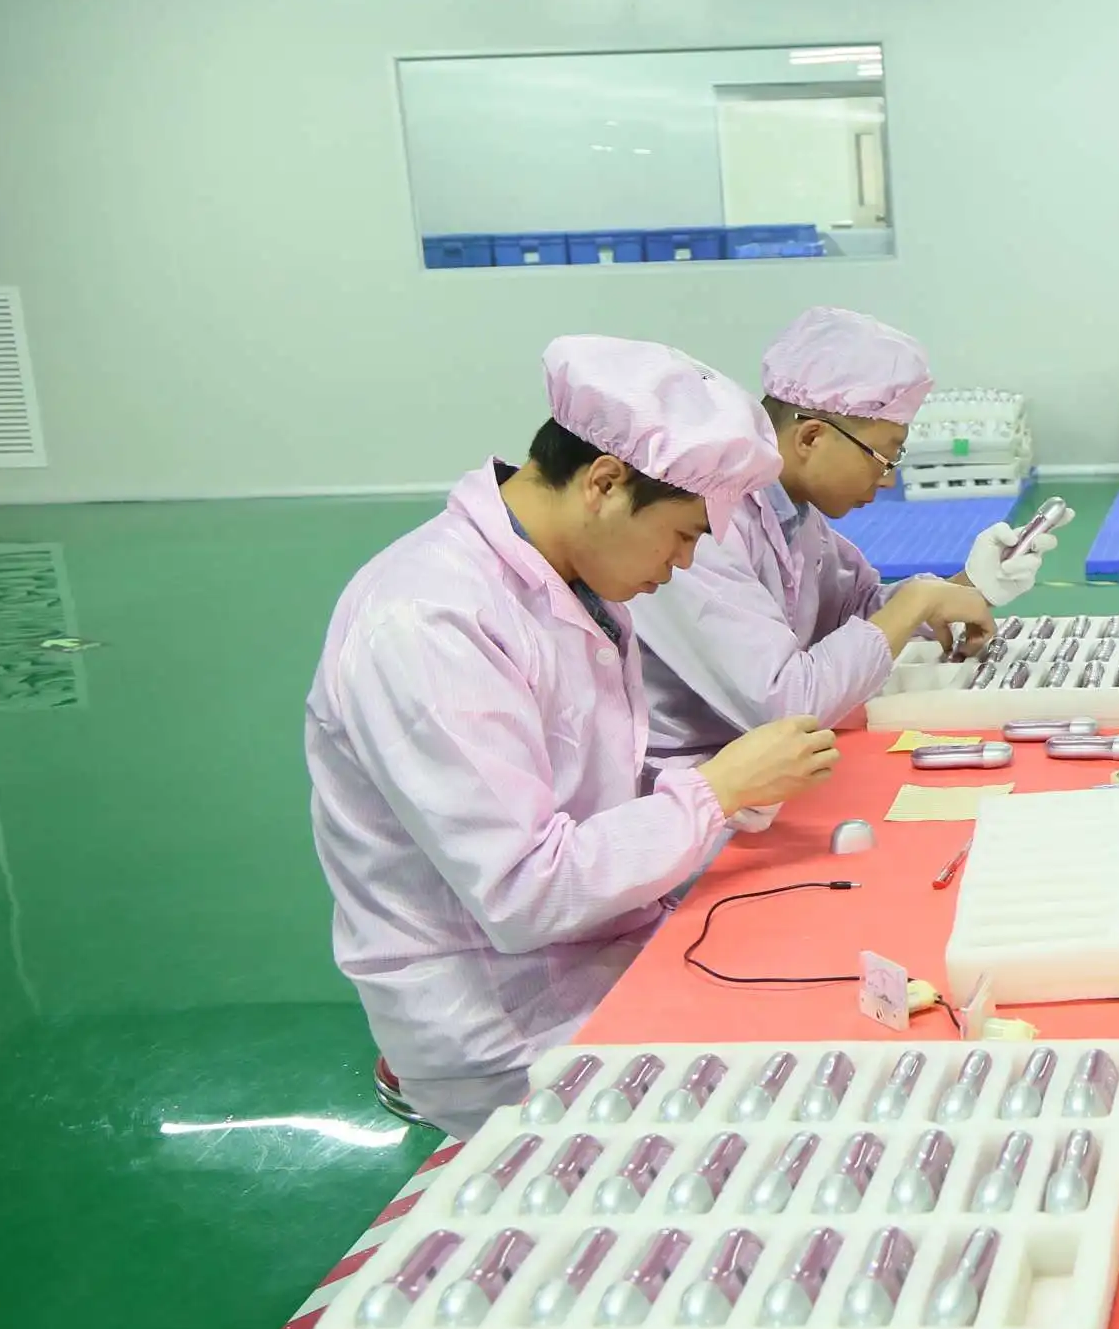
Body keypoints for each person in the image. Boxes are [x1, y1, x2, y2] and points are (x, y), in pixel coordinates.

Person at [305, 336, 842, 1135]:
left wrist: (725, 789)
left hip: (598, 949)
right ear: (604, 482)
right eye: (684, 535)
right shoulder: (428, 622)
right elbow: (524, 892)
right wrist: (714, 792)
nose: (683, 565)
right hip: (507, 1025)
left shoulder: (572, 586)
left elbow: (584, 786)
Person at [633, 307, 1057, 759]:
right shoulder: (705, 529)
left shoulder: (791, 512)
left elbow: (859, 614)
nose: (889, 479)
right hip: (687, 775)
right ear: (811, 438)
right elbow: (787, 706)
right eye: (885, 456)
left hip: (756, 761)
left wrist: (966, 586)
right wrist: (918, 601)